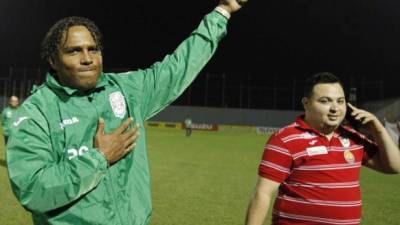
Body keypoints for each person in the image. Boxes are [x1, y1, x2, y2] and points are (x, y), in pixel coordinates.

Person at [6, 1, 248, 224]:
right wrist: (99, 158)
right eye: (74, 51)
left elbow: (179, 67)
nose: (87, 58)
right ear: (52, 60)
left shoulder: (127, 90)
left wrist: (222, 11)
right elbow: (33, 190)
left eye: (93, 49)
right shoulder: (36, 113)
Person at [245, 72, 400, 225]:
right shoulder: (285, 138)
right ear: (306, 103)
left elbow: (394, 166)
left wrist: (378, 128)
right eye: (325, 101)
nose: (335, 108)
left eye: (340, 101)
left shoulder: (353, 138)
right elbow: (262, 193)